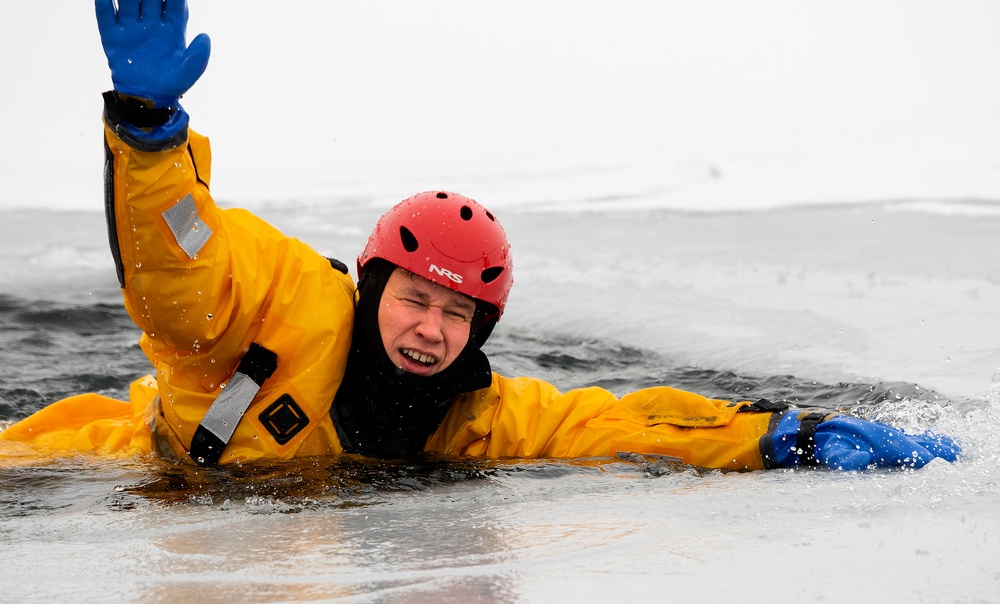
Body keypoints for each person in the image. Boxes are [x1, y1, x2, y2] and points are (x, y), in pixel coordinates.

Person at [0, 0, 960, 472]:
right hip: (127, 456)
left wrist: (777, 439)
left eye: (460, 314)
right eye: (417, 298)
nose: (431, 329)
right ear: (374, 286)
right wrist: (148, 134)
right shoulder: (280, 297)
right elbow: (176, 276)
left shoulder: (479, 417)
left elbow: (613, 421)